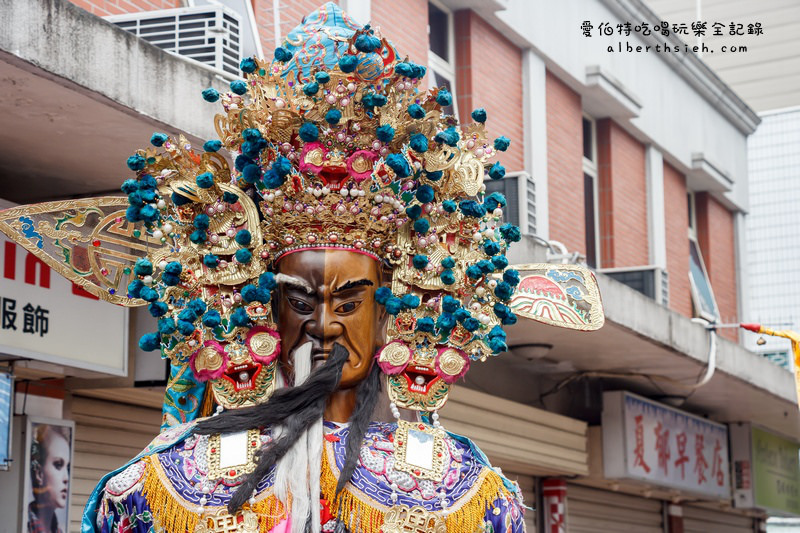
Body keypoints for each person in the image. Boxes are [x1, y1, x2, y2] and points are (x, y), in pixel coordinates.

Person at [28, 424, 71, 533]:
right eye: (58, 465)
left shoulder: (59, 530)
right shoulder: (24, 524)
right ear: (39, 474)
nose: (66, 478)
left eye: (68, 468)